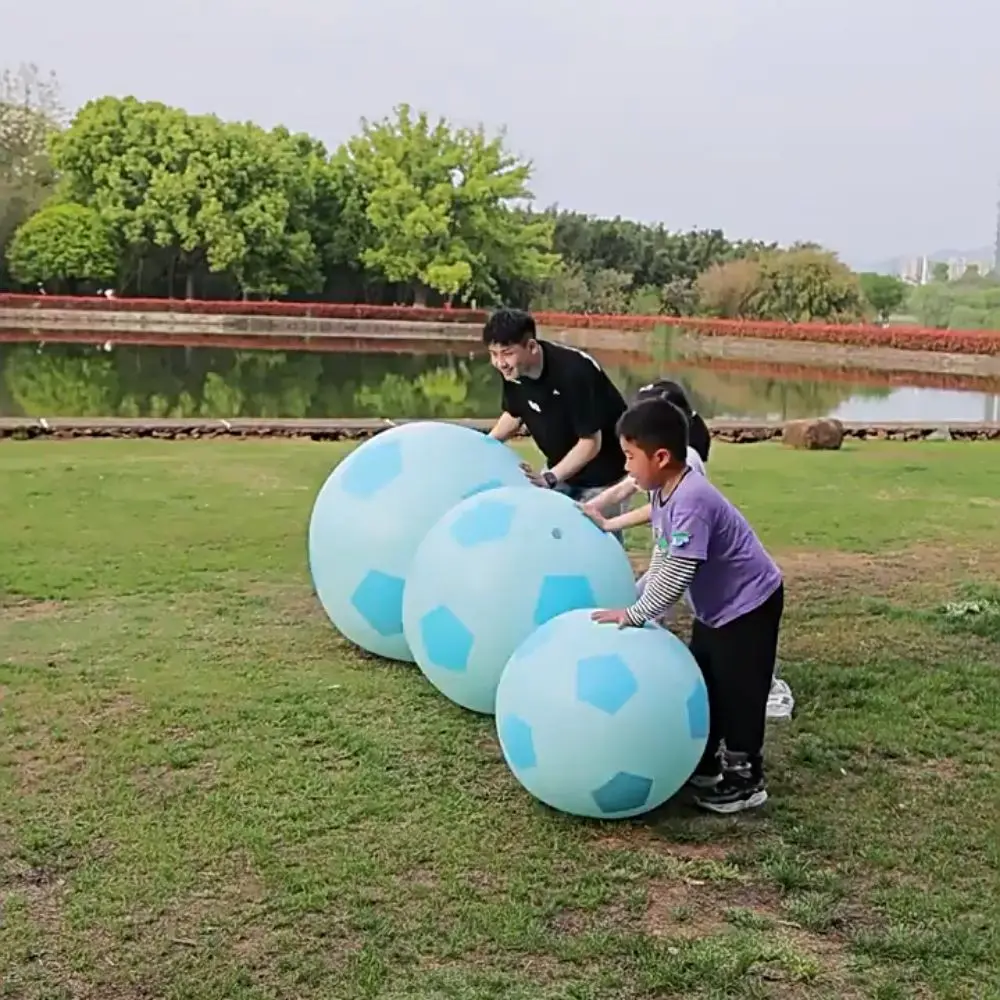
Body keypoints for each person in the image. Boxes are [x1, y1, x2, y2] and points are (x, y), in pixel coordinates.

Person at [590, 396, 784, 814]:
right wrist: (640, 601)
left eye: (630, 457)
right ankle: (706, 762)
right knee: (706, 678)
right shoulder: (664, 492)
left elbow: (678, 574)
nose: (626, 466)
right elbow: (663, 555)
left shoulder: (693, 499)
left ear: (660, 457)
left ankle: (746, 781)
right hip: (717, 609)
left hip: (749, 605)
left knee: (740, 691)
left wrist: (636, 614)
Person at [483, 308, 630, 519]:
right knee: (543, 525)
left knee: (591, 533)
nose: (500, 363)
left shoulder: (574, 371)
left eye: (507, 353)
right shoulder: (513, 372)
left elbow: (590, 443)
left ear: (531, 346)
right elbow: (515, 414)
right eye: (493, 354)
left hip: (603, 475)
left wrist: (550, 478)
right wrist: (485, 444)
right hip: (560, 467)